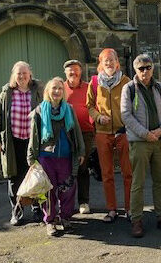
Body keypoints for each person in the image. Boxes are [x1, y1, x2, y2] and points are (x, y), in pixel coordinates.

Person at [121, 54, 161, 238]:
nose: (145, 71)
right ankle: (136, 220)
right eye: (141, 68)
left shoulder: (158, 87)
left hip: (159, 141)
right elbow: (126, 115)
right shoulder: (128, 88)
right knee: (138, 182)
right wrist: (145, 133)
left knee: (160, 180)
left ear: (152, 68)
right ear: (135, 70)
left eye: (148, 67)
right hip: (140, 143)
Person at [28, 77, 85, 236]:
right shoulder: (39, 111)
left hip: (66, 157)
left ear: (63, 92)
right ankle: (50, 221)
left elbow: (77, 132)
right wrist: (31, 158)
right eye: (54, 88)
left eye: (60, 88)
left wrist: (81, 151)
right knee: (48, 191)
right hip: (46, 158)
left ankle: (66, 218)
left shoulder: (69, 109)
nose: (57, 91)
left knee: (68, 189)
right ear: (47, 91)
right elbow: (34, 136)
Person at [0, 61, 44, 226]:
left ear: (30, 74)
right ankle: (17, 211)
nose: (21, 76)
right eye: (18, 73)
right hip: (13, 142)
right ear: (14, 75)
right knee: (14, 178)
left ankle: (37, 209)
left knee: (35, 176)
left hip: (33, 142)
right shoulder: (6, 94)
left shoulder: (37, 92)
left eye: (25, 73)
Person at [86, 48, 132, 223]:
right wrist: (98, 116)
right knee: (107, 173)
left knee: (128, 172)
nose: (109, 63)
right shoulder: (95, 82)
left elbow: (134, 106)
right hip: (103, 133)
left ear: (117, 62)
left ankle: (129, 208)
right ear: (101, 64)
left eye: (112, 60)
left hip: (123, 132)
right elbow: (89, 105)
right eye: (106, 61)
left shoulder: (127, 82)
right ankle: (112, 209)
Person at [63, 59, 94, 214]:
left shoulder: (89, 87)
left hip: (86, 133)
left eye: (76, 69)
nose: (73, 73)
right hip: (66, 134)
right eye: (70, 70)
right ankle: (67, 204)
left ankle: (83, 202)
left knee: (82, 167)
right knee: (66, 169)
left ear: (81, 71)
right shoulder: (60, 88)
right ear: (65, 73)